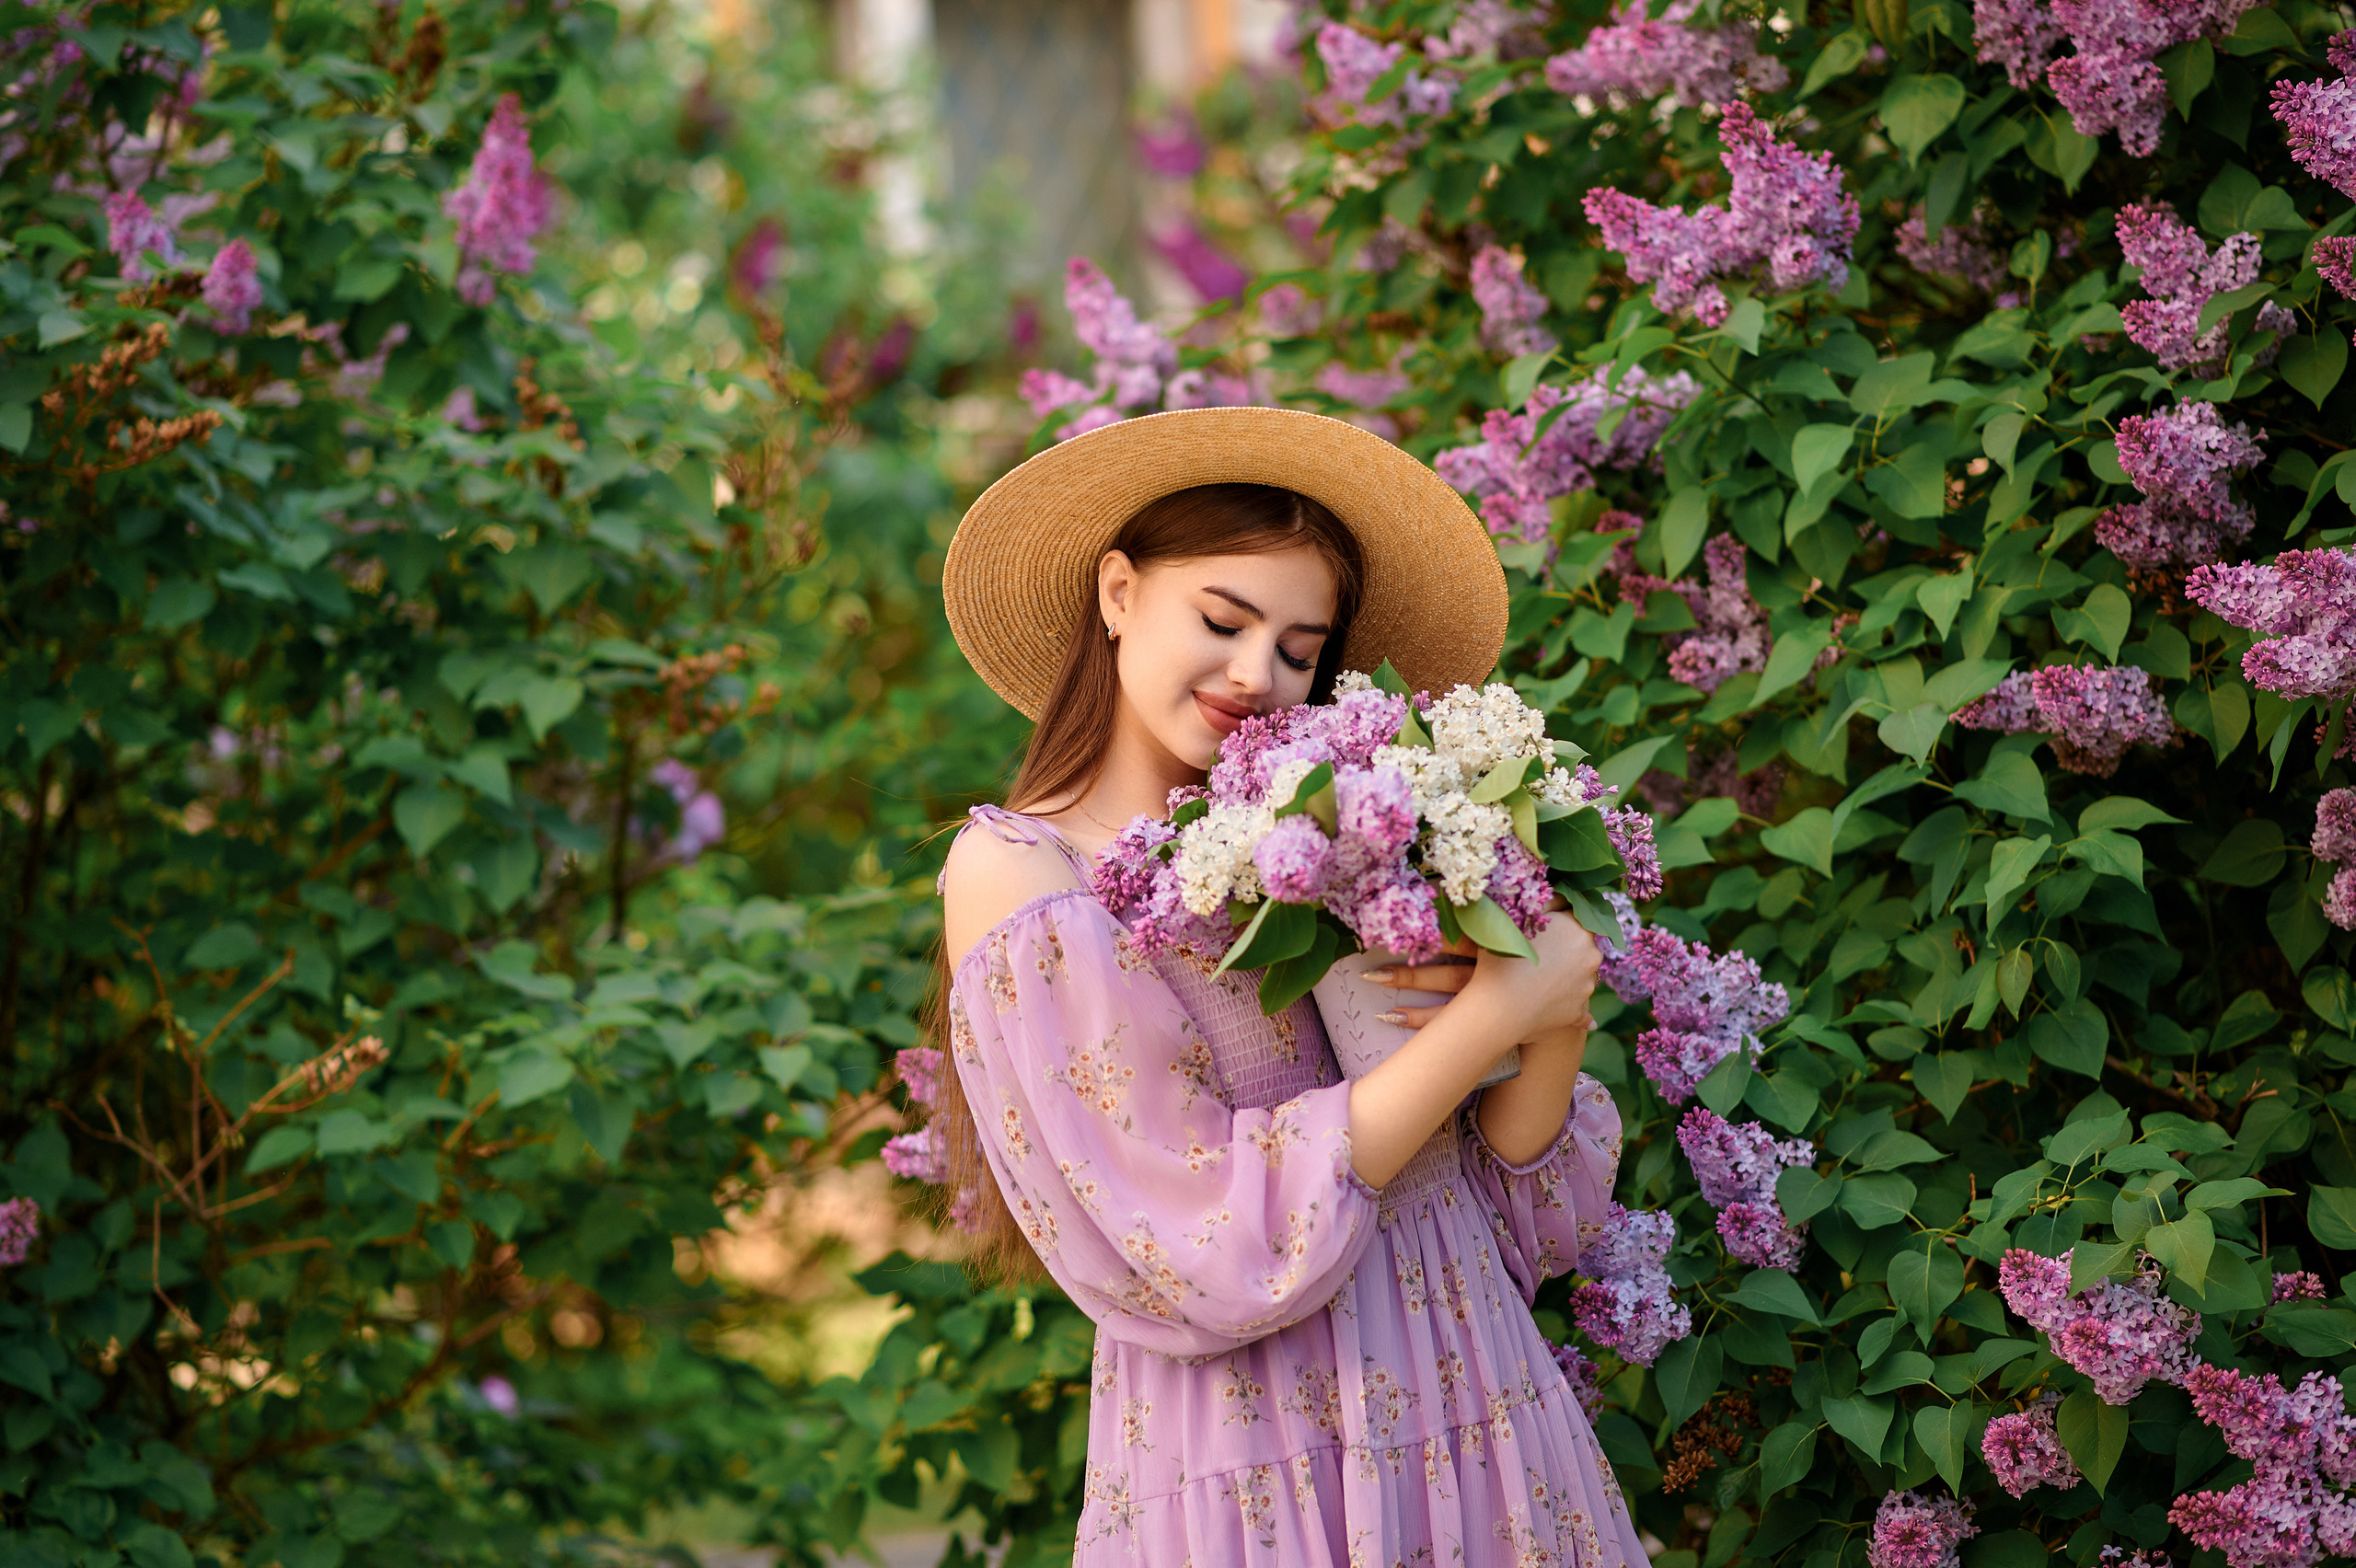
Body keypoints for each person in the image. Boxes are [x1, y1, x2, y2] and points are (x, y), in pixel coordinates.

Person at [930, 406, 1643, 1565]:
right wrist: (1496, 1012)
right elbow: (1197, 1239)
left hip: (1480, 1399)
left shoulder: (1341, 831)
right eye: (1222, 620)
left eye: (1300, 650)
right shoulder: (1024, 874)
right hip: (1263, 1442)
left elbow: (1513, 1204)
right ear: (1118, 593)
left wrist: (1550, 1006)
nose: (1255, 674)